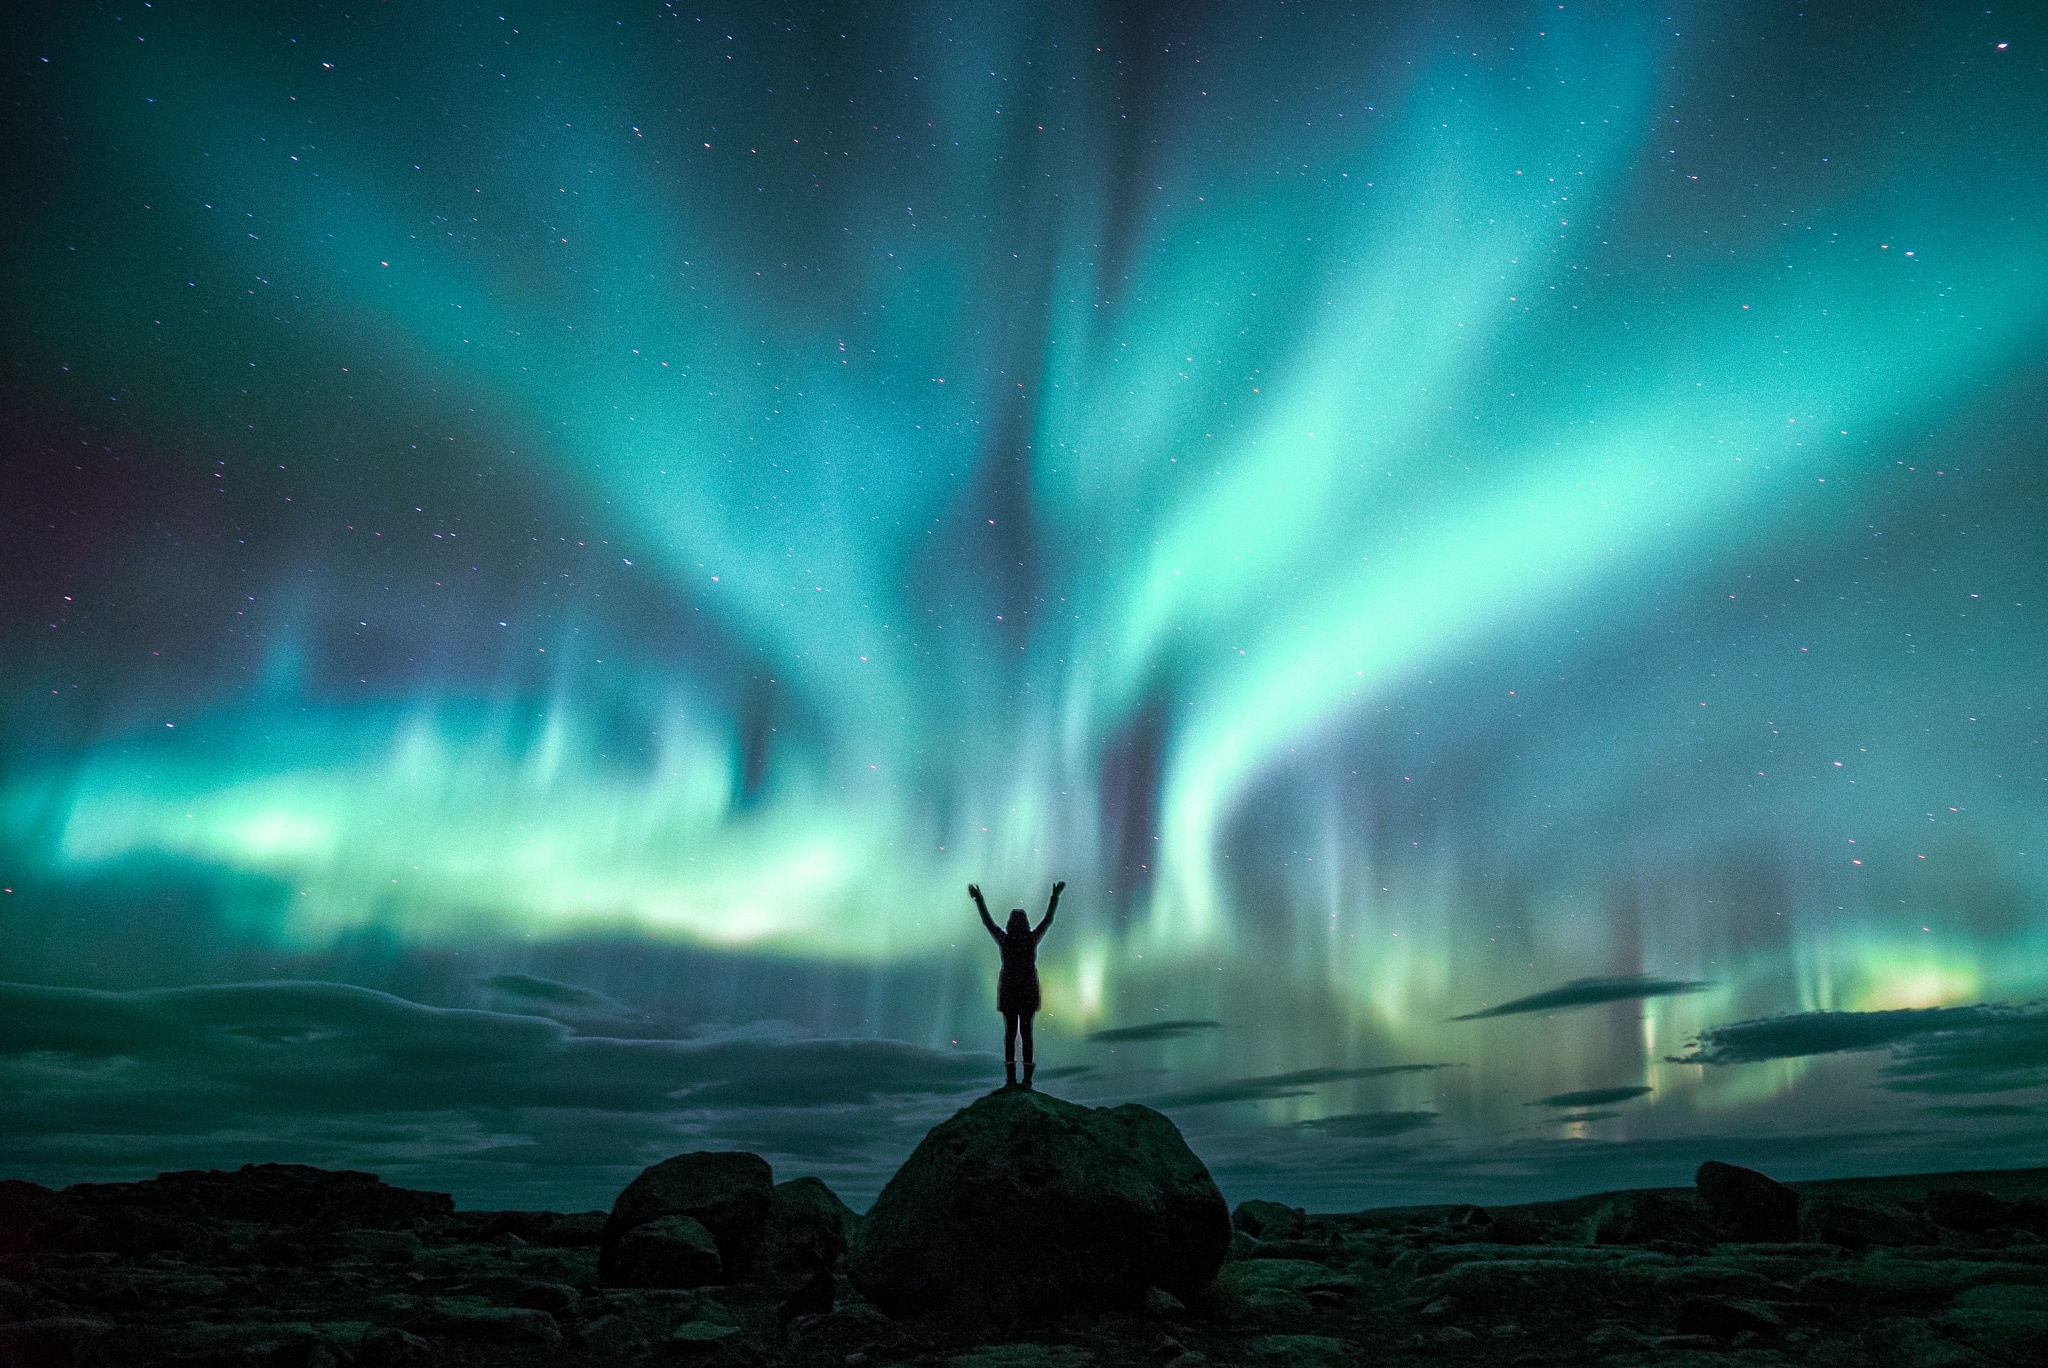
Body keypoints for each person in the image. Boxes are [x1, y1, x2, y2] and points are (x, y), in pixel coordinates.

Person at [971, 879, 1063, 1087]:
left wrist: (980, 900)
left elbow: (988, 922)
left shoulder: (1005, 940)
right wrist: (1054, 898)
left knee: (1011, 1034)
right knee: (1026, 1034)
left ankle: (1012, 1079)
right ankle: (1026, 1079)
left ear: (1010, 923)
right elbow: (1048, 920)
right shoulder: (1031, 939)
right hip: (1027, 990)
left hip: (1011, 991)